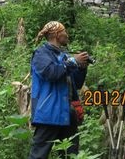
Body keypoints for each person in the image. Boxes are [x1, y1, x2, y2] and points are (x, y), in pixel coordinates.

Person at [28, 21, 89, 159]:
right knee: (38, 155)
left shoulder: (64, 56)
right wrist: (73, 62)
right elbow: (51, 73)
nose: (67, 35)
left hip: (67, 113)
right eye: (64, 32)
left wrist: (82, 67)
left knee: (70, 154)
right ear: (56, 34)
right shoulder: (41, 54)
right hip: (48, 113)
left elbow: (76, 85)